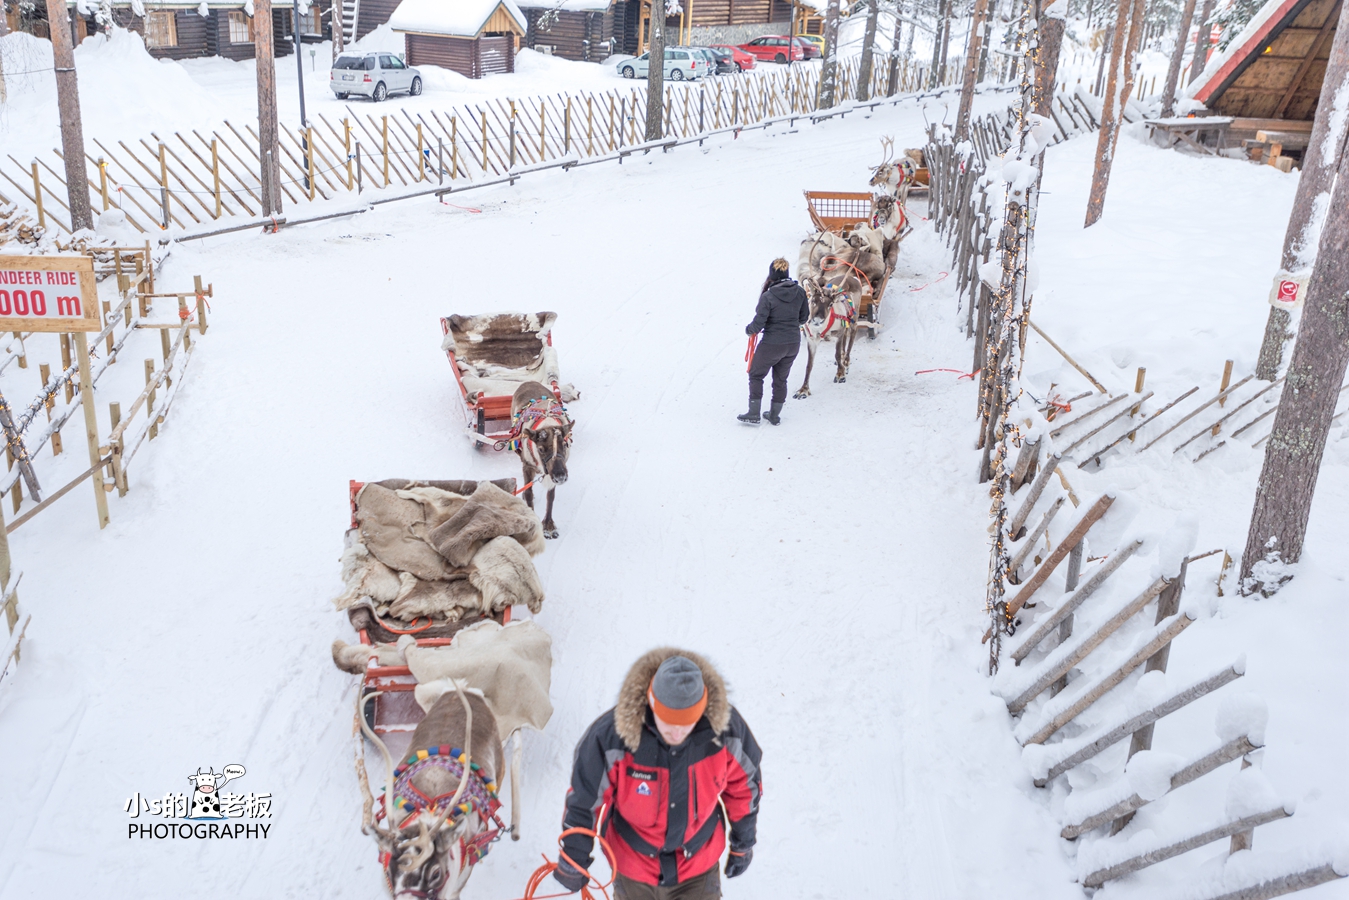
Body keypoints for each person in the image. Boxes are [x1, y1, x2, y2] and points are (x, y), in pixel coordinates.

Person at [553, 650, 763, 899]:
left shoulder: (727, 733)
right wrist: (574, 856)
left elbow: (745, 788)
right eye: (668, 723)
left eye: (686, 725)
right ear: (651, 705)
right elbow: (585, 799)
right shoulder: (610, 737)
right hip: (634, 870)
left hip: (698, 866)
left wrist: (743, 842)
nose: (676, 734)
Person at [739, 257, 809, 426]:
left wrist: (749, 330)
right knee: (781, 379)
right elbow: (804, 318)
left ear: (772, 275)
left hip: (772, 344)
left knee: (756, 375)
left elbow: (758, 323)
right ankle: (774, 415)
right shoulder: (800, 292)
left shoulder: (768, 296)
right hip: (793, 344)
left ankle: (754, 413)